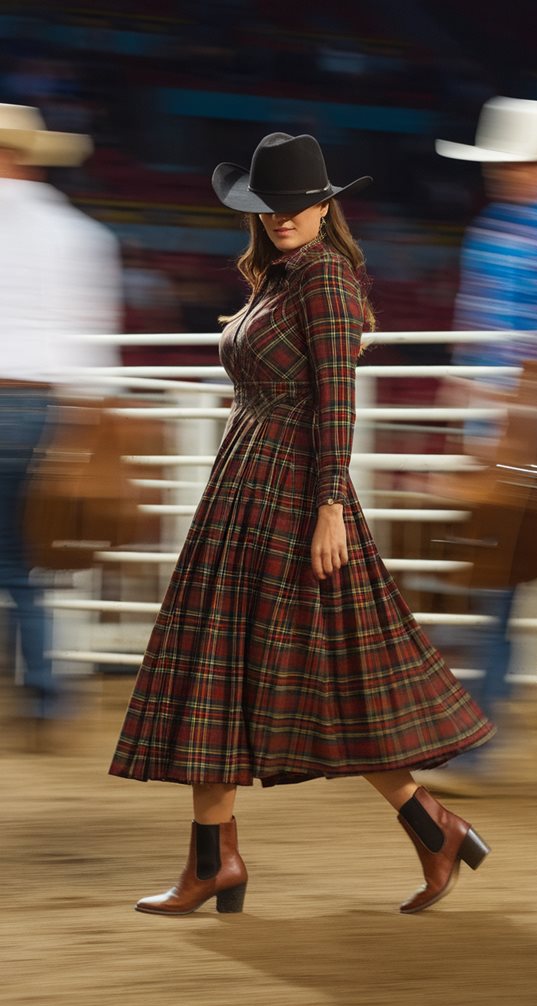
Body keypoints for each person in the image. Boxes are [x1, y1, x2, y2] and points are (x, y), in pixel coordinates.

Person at [109, 132, 494, 916]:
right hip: (247, 493)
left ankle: (238, 859)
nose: (282, 216)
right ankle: (416, 829)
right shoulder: (279, 279)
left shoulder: (321, 279)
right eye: (269, 205)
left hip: (289, 498)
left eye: (296, 203)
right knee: (268, 673)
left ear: (325, 205)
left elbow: (337, 402)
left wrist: (327, 506)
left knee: (251, 671)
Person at [431, 97, 537, 768]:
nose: (501, 174)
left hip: (523, 434)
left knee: (495, 579)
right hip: (528, 435)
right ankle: (471, 745)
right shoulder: (499, 232)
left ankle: (472, 746)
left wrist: (478, 425)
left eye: (511, 162)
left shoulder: (495, 235)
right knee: (494, 579)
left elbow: (481, 345)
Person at [0, 103, 120, 729]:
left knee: (12, 554)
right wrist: (82, 420)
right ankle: (47, 691)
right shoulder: (79, 233)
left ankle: (44, 688)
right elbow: (90, 335)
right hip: (42, 406)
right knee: (20, 555)